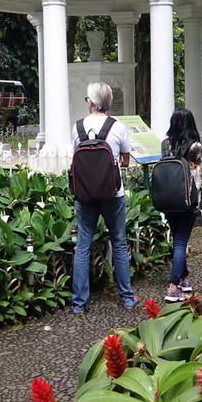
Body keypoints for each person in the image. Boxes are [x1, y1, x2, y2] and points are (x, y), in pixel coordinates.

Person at [70, 82, 138, 315]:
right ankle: (127, 298)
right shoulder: (117, 127)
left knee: (83, 246)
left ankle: (79, 304)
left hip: (84, 195)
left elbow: (76, 158)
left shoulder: (78, 126)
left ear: (91, 102)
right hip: (113, 194)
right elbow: (125, 160)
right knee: (119, 242)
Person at [160, 109, 202, 303]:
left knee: (177, 238)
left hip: (168, 199)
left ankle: (184, 278)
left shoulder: (165, 144)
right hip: (188, 201)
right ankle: (173, 287)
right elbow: (201, 175)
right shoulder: (195, 147)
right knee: (181, 242)